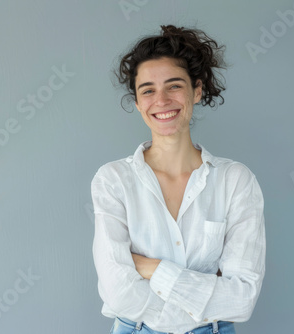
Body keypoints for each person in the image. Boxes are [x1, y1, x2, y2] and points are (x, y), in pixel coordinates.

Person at [91, 25, 265, 334]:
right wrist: (201, 299)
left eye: (174, 86)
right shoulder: (113, 180)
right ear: (136, 102)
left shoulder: (235, 180)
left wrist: (150, 267)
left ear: (197, 90)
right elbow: (118, 292)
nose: (161, 100)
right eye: (147, 90)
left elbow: (242, 300)